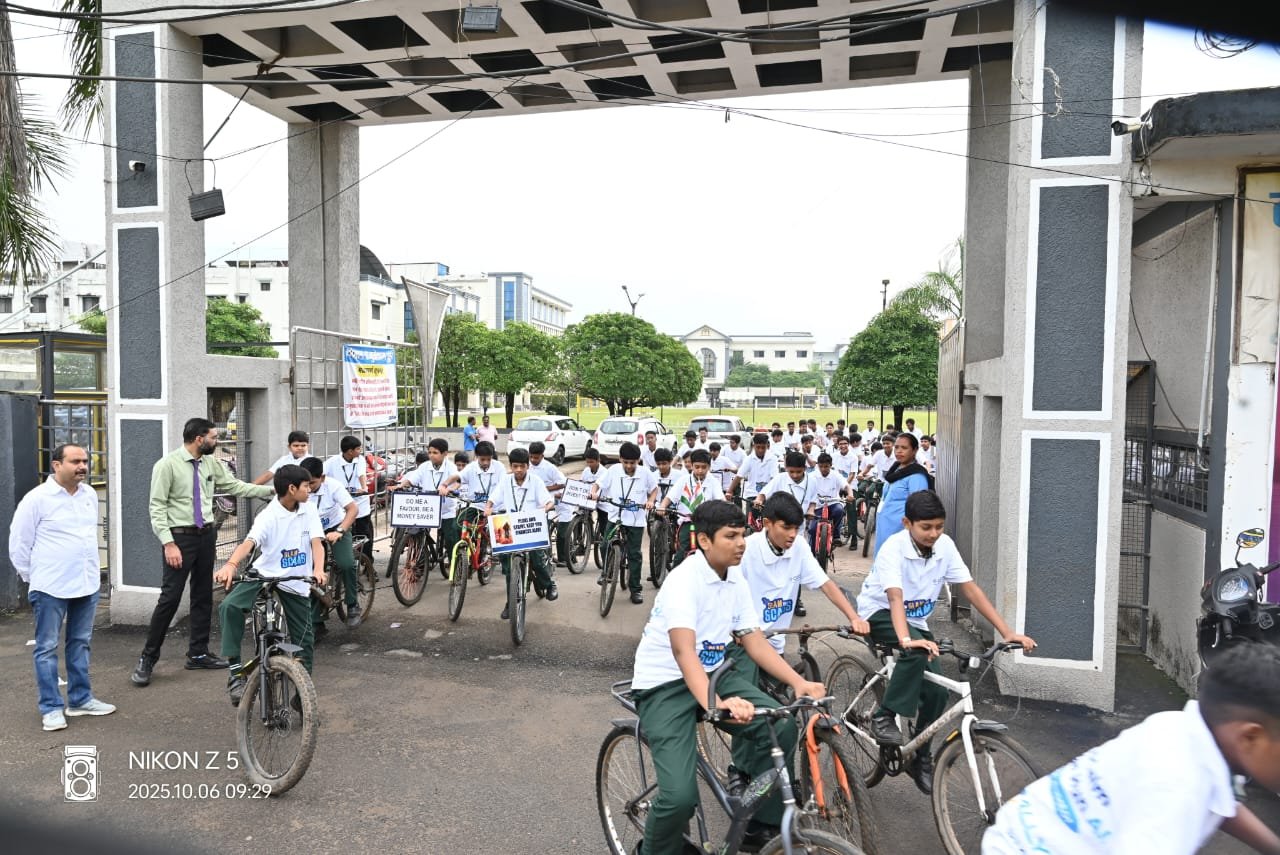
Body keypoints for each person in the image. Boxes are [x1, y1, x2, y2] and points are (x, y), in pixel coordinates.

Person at [629, 500, 825, 855]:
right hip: (664, 685)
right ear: (704, 540)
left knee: (781, 724)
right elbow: (683, 652)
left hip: (713, 672)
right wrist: (716, 704)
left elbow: (752, 639)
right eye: (730, 536)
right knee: (679, 798)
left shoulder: (734, 578)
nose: (741, 543)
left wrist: (797, 683)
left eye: (742, 534)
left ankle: (759, 826)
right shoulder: (683, 581)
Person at [984, 642, 1280, 855]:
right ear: (1250, 738)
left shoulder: (1186, 730)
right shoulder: (1176, 785)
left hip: (1028, 826)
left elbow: (1222, 804)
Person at [856, 490, 1036, 794]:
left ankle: (920, 755)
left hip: (913, 621)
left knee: (938, 689)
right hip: (880, 612)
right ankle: (884, 716)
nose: (933, 533)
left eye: (939, 526)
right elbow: (895, 597)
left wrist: (1006, 632)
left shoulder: (945, 547)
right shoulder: (893, 548)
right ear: (907, 523)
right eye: (926, 527)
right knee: (913, 653)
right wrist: (905, 641)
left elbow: (970, 590)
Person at [132, 417, 273, 687]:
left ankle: (197, 652)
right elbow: (157, 507)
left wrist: (272, 490)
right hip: (179, 539)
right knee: (170, 599)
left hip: (206, 535)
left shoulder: (210, 463)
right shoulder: (167, 465)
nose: (216, 440)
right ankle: (147, 659)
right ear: (199, 439)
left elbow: (234, 487)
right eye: (213, 437)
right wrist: (168, 543)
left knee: (202, 595)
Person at [10, 444, 115, 731]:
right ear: (56, 465)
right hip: (50, 586)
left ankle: (80, 700)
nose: (83, 466)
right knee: (45, 648)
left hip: (86, 582)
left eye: (85, 461)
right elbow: (18, 544)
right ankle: (51, 708)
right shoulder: (37, 499)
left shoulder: (89, 495)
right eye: (75, 461)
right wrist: (36, 578)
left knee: (80, 643)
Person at [214, 465, 326, 705]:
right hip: (265, 573)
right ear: (292, 488)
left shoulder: (309, 509)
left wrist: (318, 569)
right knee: (229, 607)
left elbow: (317, 543)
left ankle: (302, 697)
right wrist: (231, 565)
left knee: (305, 640)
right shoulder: (268, 515)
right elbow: (250, 543)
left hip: (295, 581)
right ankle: (235, 674)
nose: (310, 489)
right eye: (306, 486)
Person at [737, 494, 868, 681]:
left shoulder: (799, 546)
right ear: (767, 523)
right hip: (745, 643)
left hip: (775, 642)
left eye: (796, 528)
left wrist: (854, 618)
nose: (792, 534)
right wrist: (734, 629)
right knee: (752, 703)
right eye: (786, 527)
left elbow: (826, 584)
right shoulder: (746, 550)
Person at [485, 447, 557, 617]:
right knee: (509, 567)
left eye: (522, 466)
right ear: (511, 466)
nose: (518, 470)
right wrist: (488, 507)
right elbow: (493, 498)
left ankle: (549, 585)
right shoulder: (505, 481)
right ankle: (511, 603)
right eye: (515, 466)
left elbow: (549, 501)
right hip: (510, 525)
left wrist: (545, 508)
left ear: (527, 466)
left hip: (531, 526)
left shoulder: (536, 481)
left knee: (538, 559)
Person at [590, 441, 658, 604]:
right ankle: (606, 572)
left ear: (638, 461)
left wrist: (650, 501)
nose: (629, 466)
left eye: (632, 462)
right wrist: (593, 492)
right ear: (620, 459)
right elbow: (598, 484)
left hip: (635, 520)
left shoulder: (645, 473)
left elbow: (654, 489)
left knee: (635, 554)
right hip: (615, 516)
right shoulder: (613, 470)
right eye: (626, 462)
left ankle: (635, 589)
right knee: (606, 544)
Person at [298, 456, 358, 632]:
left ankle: (353, 604)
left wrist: (339, 531)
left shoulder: (333, 486)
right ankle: (317, 621)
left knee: (346, 564)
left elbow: (353, 509)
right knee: (311, 573)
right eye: (305, 484)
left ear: (322, 478)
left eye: (313, 483)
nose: (308, 488)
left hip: (335, 528)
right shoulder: (298, 488)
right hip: (311, 533)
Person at [391, 437, 460, 568]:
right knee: (416, 533)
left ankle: (455, 566)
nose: (432, 455)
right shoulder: (424, 466)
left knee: (451, 538)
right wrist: (401, 485)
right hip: (427, 508)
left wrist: (449, 489)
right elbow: (412, 479)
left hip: (445, 510)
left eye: (435, 453)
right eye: (430, 452)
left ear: (445, 453)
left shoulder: (451, 467)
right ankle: (419, 565)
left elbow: (457, 482)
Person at [657, 448, 725, 569]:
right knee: (680, 554)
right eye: (697, 467)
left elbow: (720, 499)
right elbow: (670, 497)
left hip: (706, 523)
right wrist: (662, 506)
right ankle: (675, 580)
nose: (700, 470)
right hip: (686, 521)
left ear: (709, 467)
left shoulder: (713, 482)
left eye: (704, 467)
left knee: (708, 552)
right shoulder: (683, 480)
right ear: (691, 466)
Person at [874, 432, 934, 557]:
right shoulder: (895, 469)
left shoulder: (916, 476)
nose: (899, 451)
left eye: (904, 448)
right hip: (885, 529)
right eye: (896, 447)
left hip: (901, 532)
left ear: (915, 450)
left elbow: (919, 509)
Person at [325, 436, 374, 562]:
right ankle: (348, 561)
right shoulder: (332, 462)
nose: (360, 451)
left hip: (360, 502)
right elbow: (321, 475)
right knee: (347, 535)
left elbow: (361, 474)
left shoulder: (360, 460)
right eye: (358, 449)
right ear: (350, 451)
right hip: (342, 505)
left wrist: (364, 488)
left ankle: (368, 562)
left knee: (365, 535)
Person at [527, 441, 568, 567]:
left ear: (542, 455)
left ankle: (547, 556)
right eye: (531, 457)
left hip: (551, 500)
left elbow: (562, 483)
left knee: (545, 526)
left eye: (536, 457)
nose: (533, 460)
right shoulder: (527, 466)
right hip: (534, 501)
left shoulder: (549, 468)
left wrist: (545, 488)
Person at [730, 433, 778, 517]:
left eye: (763, 447)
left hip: (768, 495)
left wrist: (763, 496)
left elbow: (774, 479)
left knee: (768, 521)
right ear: (753, 445)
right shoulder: (749, 459)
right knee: (751, 522)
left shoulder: (773, 459)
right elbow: (739, 476)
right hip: (752, 494)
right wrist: (729, 491)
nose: (760, 450)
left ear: (767, 446)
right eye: (758, 447)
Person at [809, 453, 847, 551]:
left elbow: (846, 486)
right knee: (812, 530)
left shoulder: (836, 475)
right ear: (818, 466)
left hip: (833, 503)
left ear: (830, 465)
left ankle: (836, 536)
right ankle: (812, 554)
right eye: (821, 466)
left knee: (839, 511)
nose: (823, 469)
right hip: (817, 506)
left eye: (826, 466)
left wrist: (850, 494)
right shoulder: (812, 476)